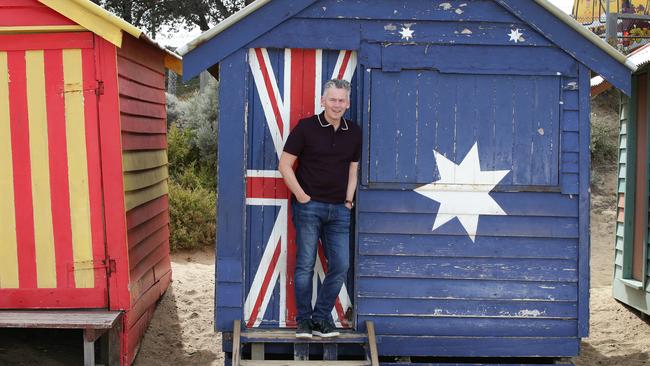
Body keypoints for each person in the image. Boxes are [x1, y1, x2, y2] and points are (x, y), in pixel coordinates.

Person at [278, 79, 362, 338]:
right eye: (332, 99)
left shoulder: (354, 132)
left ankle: (320, 318)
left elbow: (353, 169)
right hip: (309, 207)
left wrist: (348, 201)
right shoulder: (306, 128)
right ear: (322, 101)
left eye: (341, 100)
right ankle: (304, 321)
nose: (337, 105)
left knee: (340, 265)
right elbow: (285, 165)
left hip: (339, 210)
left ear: (347, 103)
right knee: (305, 264)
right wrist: (302, 196)